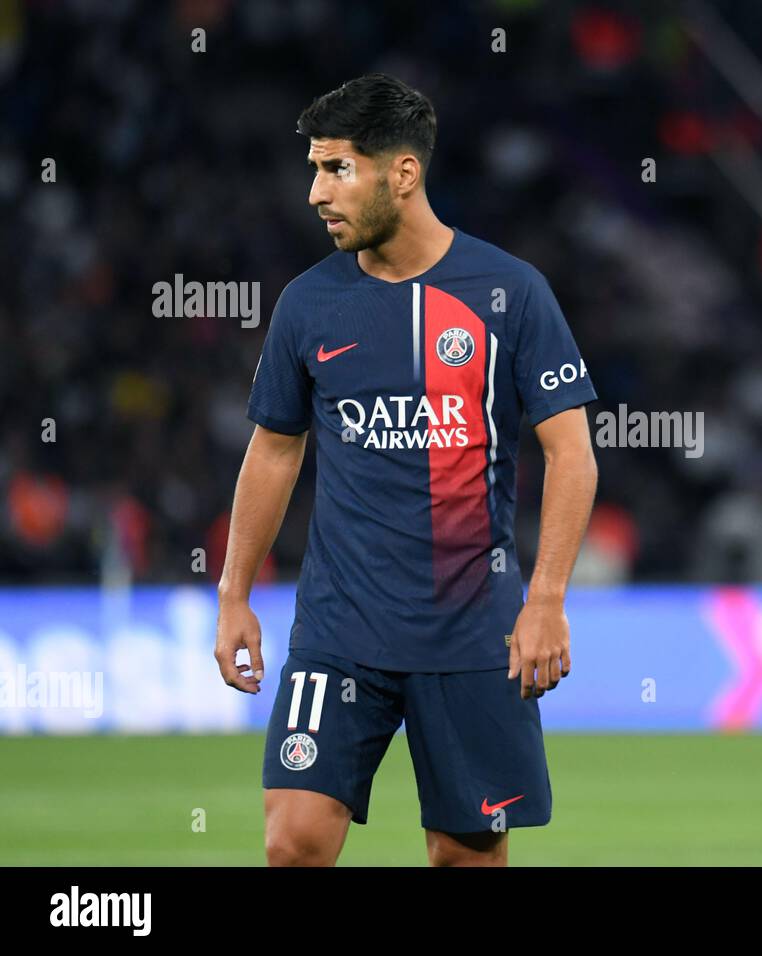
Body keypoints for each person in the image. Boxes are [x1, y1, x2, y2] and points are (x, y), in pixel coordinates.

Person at [213, 74, 598, 866]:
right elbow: (275, 450)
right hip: (338, 626)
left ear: (402, 173)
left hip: (471, 632)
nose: (318, 192)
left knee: (462, 857)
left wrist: (548, 600)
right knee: (292, 844)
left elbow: (571, 452)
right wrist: (234, 592)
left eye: (337, 168)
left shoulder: (510, 294)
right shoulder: (307, 304)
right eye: (315, 169)